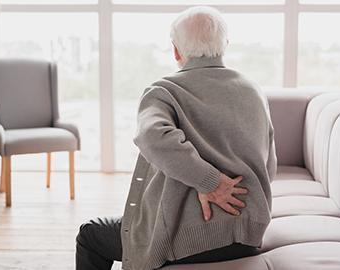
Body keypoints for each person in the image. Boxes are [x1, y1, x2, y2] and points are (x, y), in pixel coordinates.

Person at [76, 6, 277, 270]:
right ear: (224, 45)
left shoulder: (165, 91)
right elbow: (269, 167)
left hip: (182, 240)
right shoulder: (253, 91)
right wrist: (215, 186)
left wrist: (210, 182)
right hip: (248, 235)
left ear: (176, 50)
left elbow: (151, 136)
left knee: (90, 234)